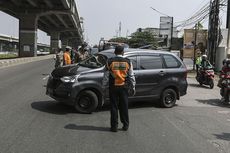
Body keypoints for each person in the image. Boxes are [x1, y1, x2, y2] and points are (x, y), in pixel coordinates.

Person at [102, 45, 136, 132]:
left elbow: (105, 76)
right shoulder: (128, 62)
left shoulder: (109, 61)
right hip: (124, 87)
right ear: (123, 52)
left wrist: (104, 87)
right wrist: (133, 86)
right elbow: (131, 76)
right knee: (124, 106)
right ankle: (125, 125)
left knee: (114, 107)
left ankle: (114, 127)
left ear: (114, 52)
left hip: (113, 87)